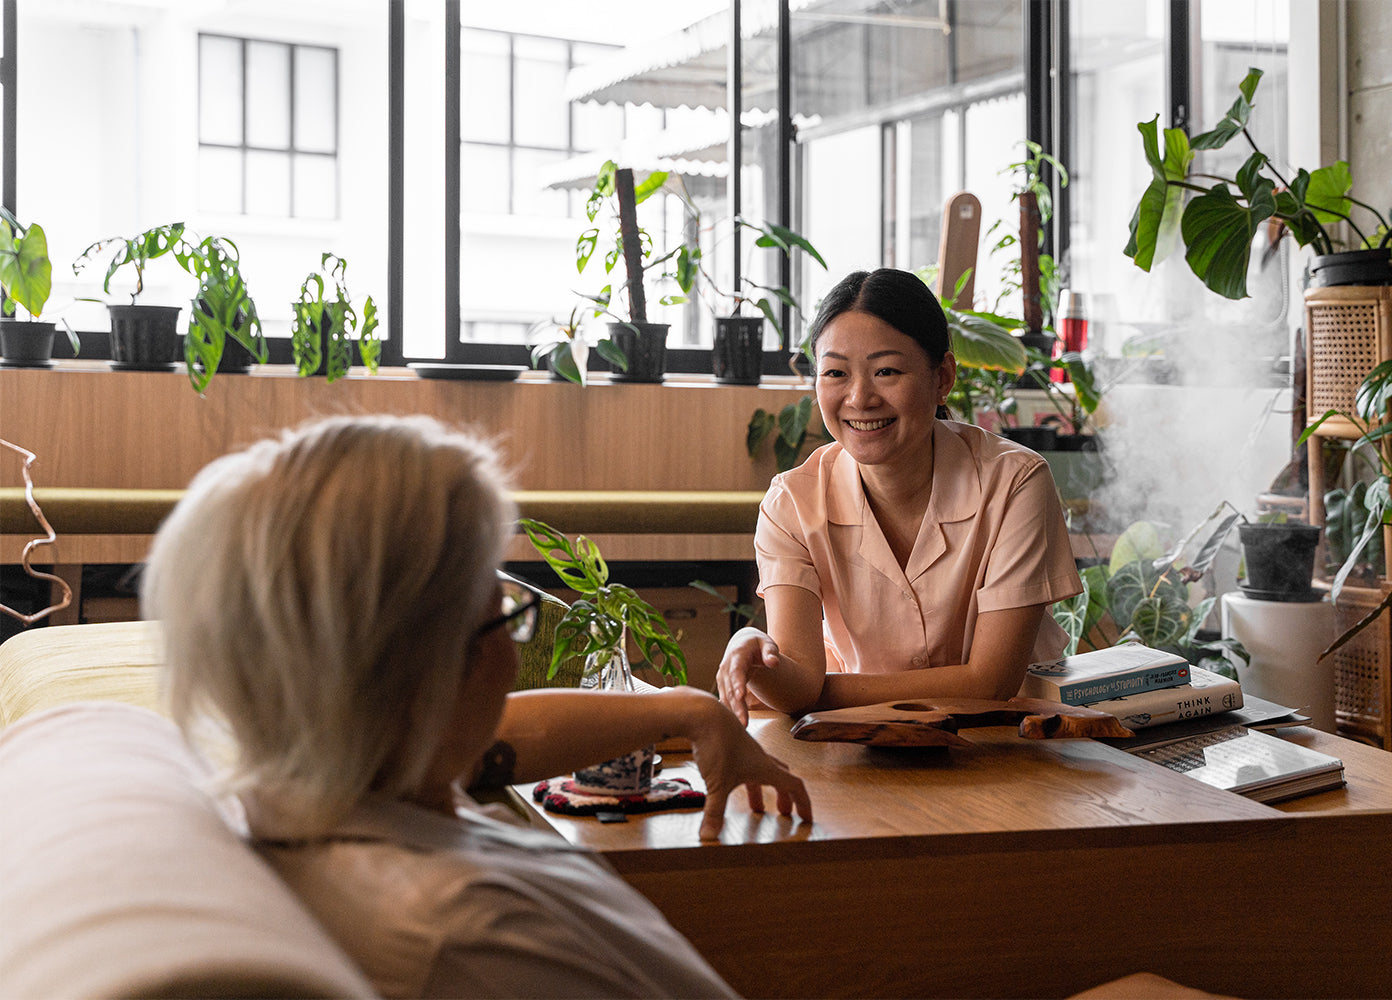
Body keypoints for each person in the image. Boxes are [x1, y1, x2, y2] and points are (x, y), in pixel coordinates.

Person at [141, 413, 812, 999]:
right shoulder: (471, 938)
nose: (512, 657)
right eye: (504, 618)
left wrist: (692, 710)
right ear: (426, 671)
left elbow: (504, 735)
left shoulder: (345, 779)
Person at [717, 267, 1083, 724]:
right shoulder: (791, 502)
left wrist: (814, 695)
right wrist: (750, 655)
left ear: (942, 377)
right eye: (835, 373)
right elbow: (795, 679)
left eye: (886, 371)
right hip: (865, 746)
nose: (859, 397)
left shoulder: (1015, 480)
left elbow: (990, 683)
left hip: (1008, 744)